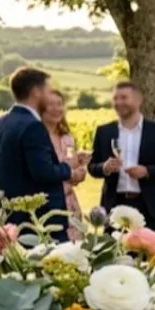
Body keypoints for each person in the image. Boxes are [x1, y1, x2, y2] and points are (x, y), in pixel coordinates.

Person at [0, 68, 84, 238]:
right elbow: (43, 172)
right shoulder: (33, 126)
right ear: (36, 92)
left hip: (7, 216)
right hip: (37, 220)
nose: (49, 96)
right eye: (47, 90)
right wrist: (70, 171)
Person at [88, 82, 155, 232]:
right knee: (113, 254)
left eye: (124, 98)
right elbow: (92, 166)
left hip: (147, 205)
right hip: (114, 205)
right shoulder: (104, 131)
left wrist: (147, 171)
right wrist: (104, 167)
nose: (118, 102)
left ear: (138, 100)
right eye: (115, 98)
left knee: (148, 254)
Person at [44, 90, 87, 240]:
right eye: (51, 105)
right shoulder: (37, 138)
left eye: (60, 104)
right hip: (50, 203)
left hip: (70, 203)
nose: (57, 108)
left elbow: (71, 169)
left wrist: (80, 170)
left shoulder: (67, 138)